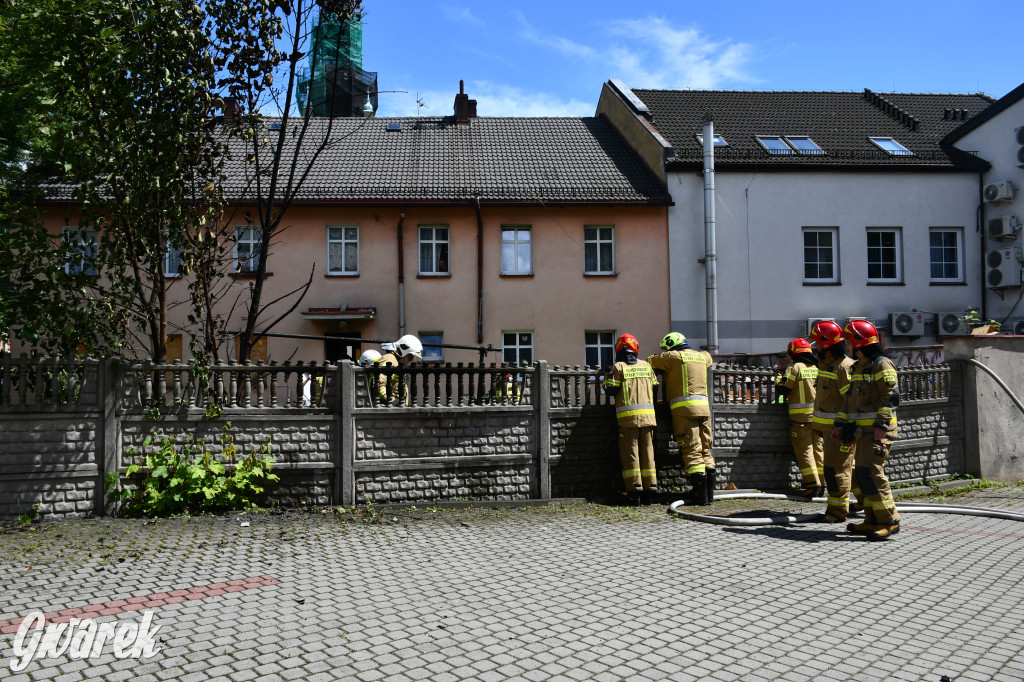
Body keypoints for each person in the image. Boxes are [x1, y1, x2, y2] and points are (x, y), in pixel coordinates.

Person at [832, 319, 901, 541]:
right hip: (863, 432)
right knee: (863, 475)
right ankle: (872, 520)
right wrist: (840, 426)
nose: (848, 346)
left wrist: (881, 425)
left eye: (850, 341)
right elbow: (849, 401)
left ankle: (889, 521)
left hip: (877, 431)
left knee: (872, 473)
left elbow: (890, 397)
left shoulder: (881, 365)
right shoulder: (859, 366)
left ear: (859, 342)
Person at [647, 331, 716, 505]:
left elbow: (650, 361)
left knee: (692, 450)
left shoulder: (672, 357)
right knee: (705, 449)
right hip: (704, 410)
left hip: (684, 411)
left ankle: (699, 496)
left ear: (670, 344)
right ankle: (709, 495)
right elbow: (710, 357)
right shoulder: (702, 356)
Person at [808, 320, 862, 522]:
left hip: (838, 432)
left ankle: (837, 512)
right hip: (828, 430)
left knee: (835, 471)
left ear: (827, 345)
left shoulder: (843, 368)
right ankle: (865, 500)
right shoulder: (827, 365)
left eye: (818, 344)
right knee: (850, 468)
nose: (815, 348)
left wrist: (848, 429)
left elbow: (851, 401)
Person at [601, 333, 659, 505]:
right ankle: (651, 489)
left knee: (631, 454)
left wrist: (606, 375)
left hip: (628, 421)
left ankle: (635, 491)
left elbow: (610, 390)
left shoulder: (617, 368)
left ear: (618, 349)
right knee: (648, 453)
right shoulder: (647, 366)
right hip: (649, 418)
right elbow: (655, 389)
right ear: (635, 349)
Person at [776, 338, 822, 498]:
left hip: (800, 419)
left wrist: (778, 375)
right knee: (818, 451)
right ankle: (823, 484)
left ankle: (812, 485)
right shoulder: (817, 368)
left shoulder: (794, 368)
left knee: (805, 452)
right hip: (818, 418)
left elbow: (783, 389)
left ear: (792, 353)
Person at [378, 335, 422, 405]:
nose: (411, 359)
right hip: (390, 410)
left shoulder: (397, 362)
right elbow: (379, 384)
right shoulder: (389, 359)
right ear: (403, 351)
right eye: (410, 356)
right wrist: (393, 402)